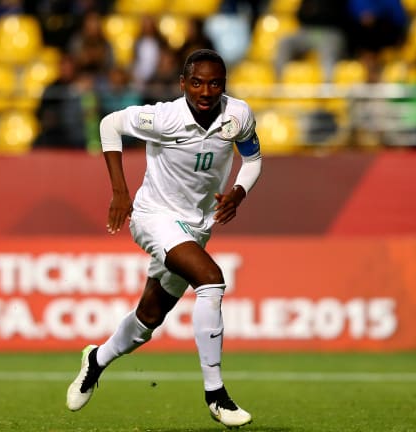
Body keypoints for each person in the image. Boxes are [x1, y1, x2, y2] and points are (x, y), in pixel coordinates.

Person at [66, 49, 262, 428]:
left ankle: (96, 360)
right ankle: (216, 394)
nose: (206, 91)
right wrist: (120, 191)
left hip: (197, 227)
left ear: (225, 85)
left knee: (149, 319)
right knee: (211, 279)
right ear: (183, 84)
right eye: (197, 82)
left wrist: (238, 192)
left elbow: (253, 159)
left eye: (215, 83)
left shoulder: (237, 116)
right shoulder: (163, 117)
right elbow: (109, 124)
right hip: (153, 217)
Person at [275, 0, 349, 81]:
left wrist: (315, 12)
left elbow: (339, 16)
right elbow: (300, 15)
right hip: (307, 31)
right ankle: (279, 82)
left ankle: (327, 85)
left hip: (329, 32)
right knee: (285, 41)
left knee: (327, 47)